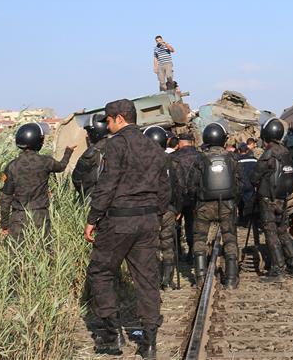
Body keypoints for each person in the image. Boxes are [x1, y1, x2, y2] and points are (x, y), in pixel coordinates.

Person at [84, 99, 169, 359]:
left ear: (119, 118)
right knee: (146, 278)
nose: (107, 125)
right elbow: (165, 188)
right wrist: (157, 212)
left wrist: (92, 218)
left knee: (100, 271)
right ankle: (149, 343)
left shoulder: (116, 144)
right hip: (147, 221)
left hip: (118, 221)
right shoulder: (154, 146)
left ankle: (111, 336)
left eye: (108, 120)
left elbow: (107, 185)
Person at [0, 123, 74, 241]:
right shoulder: (46, 162)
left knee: (17, 254)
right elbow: (61, 167)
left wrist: (4, 224)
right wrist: (68, 152)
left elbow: (5, 198)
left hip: (18, 217)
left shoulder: (11, 166)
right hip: (40, 217)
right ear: (38, 142)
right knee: (44, 250)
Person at [191, 121, 242, 288]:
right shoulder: (232, 158)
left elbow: (191, 184)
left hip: (204, 205)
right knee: (230, 239)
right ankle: (231, 279)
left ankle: (199, 277)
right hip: (227, 204)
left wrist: (195, 200)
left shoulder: (200, 159)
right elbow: (240, 183)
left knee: (199, 238)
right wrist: (236, 201)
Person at [252, 116, 293, 280]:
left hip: (268, 199)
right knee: (283, 231)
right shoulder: (287, 152)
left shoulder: (268, 154)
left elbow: (255, 176)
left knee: (271, 232)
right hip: (283, 198)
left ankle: (278, 269)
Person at [144, 126, 185, 291]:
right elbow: (180, 187)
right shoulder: (172, 161)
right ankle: (167, 280)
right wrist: (178, 208)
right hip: (168, 208)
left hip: (147, 210)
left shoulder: (141, 162)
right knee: (168, 244)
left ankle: (152, 280)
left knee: (150, 246)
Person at [170, 132, 204, 265]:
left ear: (180, 143)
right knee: (192, 224)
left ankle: (176, 252)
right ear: (192, 142)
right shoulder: (200, 157)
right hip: (194, 197)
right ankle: (191, 252)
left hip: (175, 197)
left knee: (175, 225)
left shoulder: (172, 157)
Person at [71, 114, 110, 199]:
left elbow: (76, 179)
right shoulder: (117, 145)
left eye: (89, 132)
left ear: (95, 131)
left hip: (96, 198)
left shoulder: (91, 152)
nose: (87, 135)